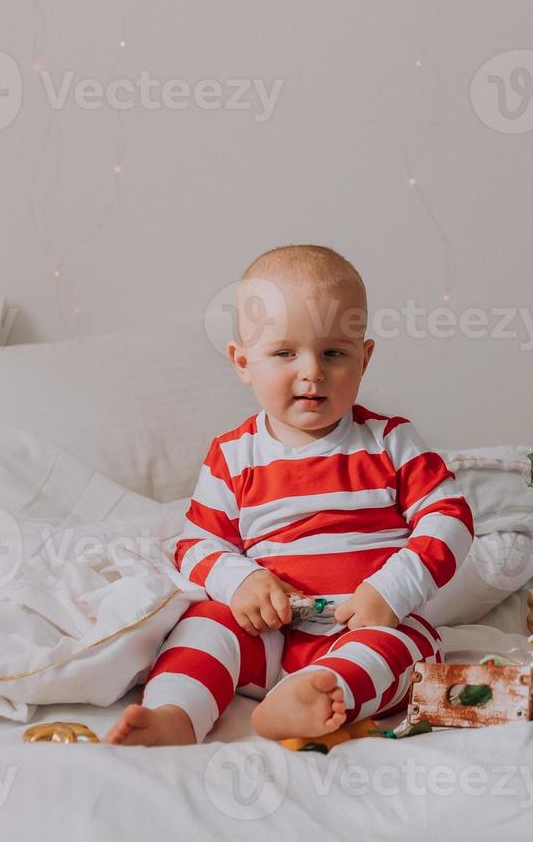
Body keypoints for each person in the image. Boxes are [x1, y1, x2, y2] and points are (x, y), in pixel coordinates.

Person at [108, 245, 473, 745]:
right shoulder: (234, 454)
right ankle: (176, 713)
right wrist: (241, 582)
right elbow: (196, 544)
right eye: (284, 353)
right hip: (269, 638)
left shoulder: (390, 441)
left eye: (334, 353)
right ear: (242, 362)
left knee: (406, 650)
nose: (312, 371)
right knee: (206, 623)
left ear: (363, 359)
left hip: (366, 626)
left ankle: (314, 695)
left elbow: (448, 518)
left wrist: (392, 591)